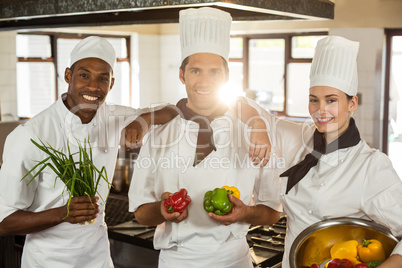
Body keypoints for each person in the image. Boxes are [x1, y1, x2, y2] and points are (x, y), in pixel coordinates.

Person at [128, 7, 303, 268]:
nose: (204, 81)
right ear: (182, 75)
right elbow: (141, 212)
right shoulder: (159, 134)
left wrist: (246, 213)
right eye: (196, 71)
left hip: (232, 258)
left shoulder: (253, 132)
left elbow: (272, 211)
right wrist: (162, 210)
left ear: (226, 76)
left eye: (214, 72)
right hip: (177, 260)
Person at [0, 36, 180, 267]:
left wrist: (142, 120)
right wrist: (63, 214)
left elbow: (174, 110)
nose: (93, 87)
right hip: (48, 260)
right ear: (68, 76)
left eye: (102, 79)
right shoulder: (30, 135)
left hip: (97, 257)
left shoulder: (112, 116)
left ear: (111, 84)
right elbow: (4, 222)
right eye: (84, 75)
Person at [278, 36, 402, 267]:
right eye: (314, 100)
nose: (321, 110)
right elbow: (244, 110)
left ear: (352, 104)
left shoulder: (371, 166)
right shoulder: (302, 137)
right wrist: (256, 127)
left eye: (331, 100)